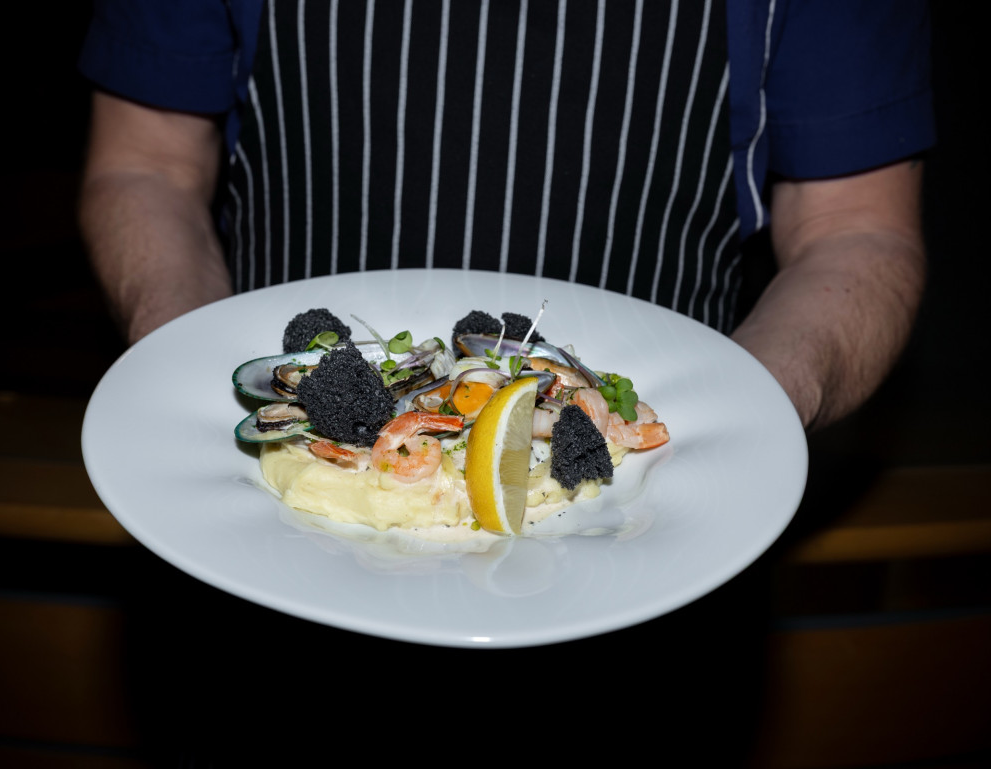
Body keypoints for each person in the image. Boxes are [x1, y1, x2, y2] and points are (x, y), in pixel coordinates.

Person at [76, 1, 934, 763]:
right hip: (259, 618)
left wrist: (744, 416)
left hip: (648, 629)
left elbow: (855, 229)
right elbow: (146, 163)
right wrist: (187, 372)